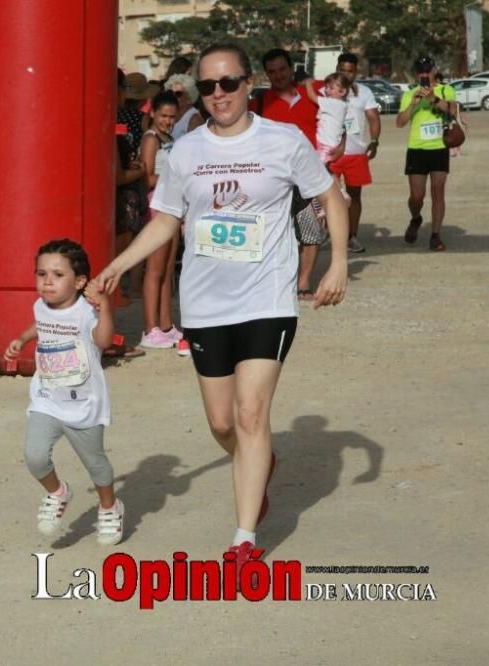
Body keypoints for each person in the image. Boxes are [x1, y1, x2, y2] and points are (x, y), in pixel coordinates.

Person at [93, 43, 348, 558]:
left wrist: (337, 262)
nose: (218, 94)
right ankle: (257, 461)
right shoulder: (186, 149)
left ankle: (244, 537)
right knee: (223, 424)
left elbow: (329, 197)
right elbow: (165, 218)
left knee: (252, 414)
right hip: (206, 304)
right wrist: (117, 264)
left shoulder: (282, 139)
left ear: (247, 83)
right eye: (208, 86)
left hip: (267, 299)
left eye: (228, 83)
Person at [3, 239, 125, 546]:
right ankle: (58, 493)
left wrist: (106, 306)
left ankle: (110, 507)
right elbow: (42, 324)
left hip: (84, 404)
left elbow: (104, 340)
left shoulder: (86, 312)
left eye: (57, 274)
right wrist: (22, 338)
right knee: (34, 456)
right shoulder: (40, 306)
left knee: (95, 463)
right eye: (41, 273)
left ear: (80, 281)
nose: (47, 281)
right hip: (47, 398)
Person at [254, 48, 343, 300]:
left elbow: (338, 120)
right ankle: (276, 281)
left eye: (282, 69)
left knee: (311, 230)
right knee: (272, 234)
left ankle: (303, 283)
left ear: (291, 68)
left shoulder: (313, 94)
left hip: (310, 178)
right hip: (273, 181)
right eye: (272, 71)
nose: (278, 75)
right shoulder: (258, 104)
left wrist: (340, 148)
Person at [137, 91, 184, 352]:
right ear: (153, 113)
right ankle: (150, 328)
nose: (168, 121)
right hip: (157, 206)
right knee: (154, 269)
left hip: (172, 205)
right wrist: (174, 179)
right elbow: (146, 177)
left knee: (167, 269)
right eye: (164, 115)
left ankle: (165, 324)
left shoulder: (170, 138)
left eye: (172, 116)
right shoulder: (151, 139)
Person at [396, 56, 457, 252]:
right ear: (416, 74)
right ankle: (416, 218)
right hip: (417, 149)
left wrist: (433, 98)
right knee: (417, 196)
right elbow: (400, 122)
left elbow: (452, 111)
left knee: (438, 192)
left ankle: (435, 235)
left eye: (427, 70)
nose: (424, 74)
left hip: (439, 147)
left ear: (434, 70)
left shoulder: (445, 90)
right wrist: (413, 103)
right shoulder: (409, 94)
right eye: (420, 71)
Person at [333, 53, 381, 254]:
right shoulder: (326, 90)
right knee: (329, 196)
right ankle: (332, 233)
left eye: (350, 71)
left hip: (356, 153)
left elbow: (373, 118)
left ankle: (351, 236)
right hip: (331, 153)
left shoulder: (364, 92)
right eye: (342, 70)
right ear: (337, 69)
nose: (346, 74)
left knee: (354, 196)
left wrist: (374, 141)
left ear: (356, 72)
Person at [302, 73, 351, 221]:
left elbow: (312, 97)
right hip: (329, 143)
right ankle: (342, 192)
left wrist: (308, 83)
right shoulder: (339, 103)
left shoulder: (333, 104)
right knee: (328, 171)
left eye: (331, 88)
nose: (327, 90)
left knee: (320, 172)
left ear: (342, 92)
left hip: (325, 145)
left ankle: (330, 201)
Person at [166, 74, 203, 139]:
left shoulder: (194, 118)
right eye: (170, 92)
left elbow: (193, 146)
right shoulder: (170, 113)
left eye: (178, 94)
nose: (173, 96)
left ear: (189, 96)